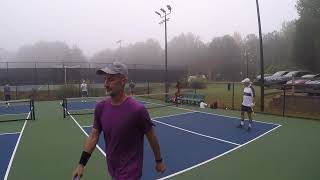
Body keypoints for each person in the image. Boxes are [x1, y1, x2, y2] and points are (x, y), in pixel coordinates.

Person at [72, 61, 166, 180]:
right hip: (113, 169)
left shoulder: (138, 110)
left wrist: (159, 160)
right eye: (105, 79)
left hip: (130, 172)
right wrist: (81, 164)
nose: (106, 84)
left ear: (123, 81)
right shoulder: (101, 107)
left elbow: (151, 137)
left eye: (110, 79)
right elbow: (94, 136)